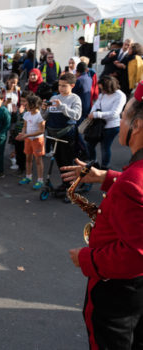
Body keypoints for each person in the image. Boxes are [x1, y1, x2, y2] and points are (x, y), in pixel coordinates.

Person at [61, 82, 143, 350]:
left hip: (119, 294)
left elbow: (135, 254)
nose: (120, 123)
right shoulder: (131, 178)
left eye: (123, 117)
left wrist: (86, 259)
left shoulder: (133, 181)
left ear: (138, 126)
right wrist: (107, 177)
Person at [41, 73, 82, 200]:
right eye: (60, 85)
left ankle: (72, 190)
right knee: (60, 163)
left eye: (64, 86)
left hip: (67, 135)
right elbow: (44, 117)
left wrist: (62, 106)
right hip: (53, 136)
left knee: (68, 162)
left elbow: (76, 116)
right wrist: (43, 109)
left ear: (72, 86)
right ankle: (65, 184)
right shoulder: (54, 97)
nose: (61, 88)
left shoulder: (75, 98)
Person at [86, 75, 127, 169]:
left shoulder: (120, 95)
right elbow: (96, 104)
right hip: (98, 124)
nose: (101, 91)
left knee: (105, 148)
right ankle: (94, 163)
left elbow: (115, 113)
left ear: (108, 87)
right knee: (89, 145)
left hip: (111, 126)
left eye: (102, 89)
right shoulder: (103, 94)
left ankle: (105, 167)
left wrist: (96, 115)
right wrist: (92, 112)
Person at [17, 95, 46, 189]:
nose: (25, 104)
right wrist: (22, 133)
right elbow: (25, 126)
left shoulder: (41, 115)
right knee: (28, 158)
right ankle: (28, 177)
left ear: (33, 105)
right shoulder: (27, 114)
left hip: (37, 140)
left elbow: (41, 131)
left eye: (27, 103)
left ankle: (40, 180)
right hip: (28, 139)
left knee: (38, 160)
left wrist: (27, 135)